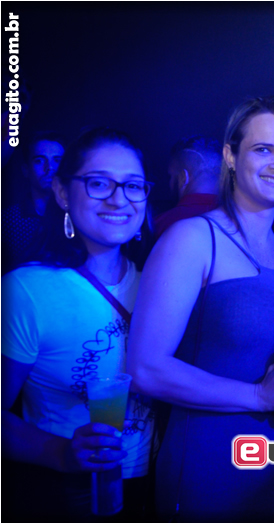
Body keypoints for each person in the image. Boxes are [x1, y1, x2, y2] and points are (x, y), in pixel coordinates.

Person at [127, 96, 274, 522]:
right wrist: (257, 396)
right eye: (263, 149)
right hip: (212, 473)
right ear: (230, 156)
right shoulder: (194, 239)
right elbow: (144, 368)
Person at [1, 127, 155, 520]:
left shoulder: (160, 284)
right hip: (64, 492)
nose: (119, 199)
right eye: (99, 183)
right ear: (63, 192)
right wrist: (61, 453)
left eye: (132, 185)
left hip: (153, 486)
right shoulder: (27, 290)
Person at [2, 131, 66, 274]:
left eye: (57, 160)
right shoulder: (6, 221)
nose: (49, 167)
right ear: (26, 170)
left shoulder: (77, 217)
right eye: (39, 160)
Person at [153, 135, 221, 240]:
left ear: (183, 178)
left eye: (170, 176)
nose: (169, 183)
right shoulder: (239, 221)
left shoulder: (160, 225)